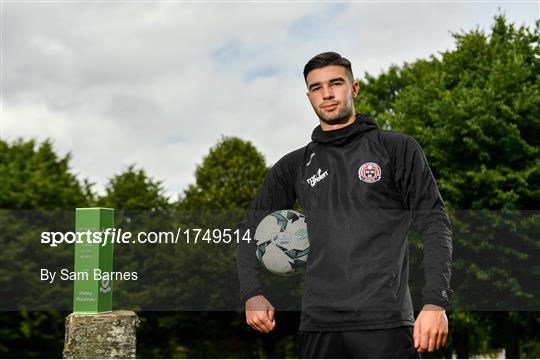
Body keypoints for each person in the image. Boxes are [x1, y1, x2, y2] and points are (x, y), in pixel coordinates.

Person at [236, 52, 453, 358]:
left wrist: (435, 301)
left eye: (335, 83)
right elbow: (248, 228)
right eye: (316, 87)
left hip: (384, 321)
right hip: (318, 326)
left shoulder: (396, 148)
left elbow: (434, 223)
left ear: (354, 88)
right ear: (309, 96)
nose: (326, 93)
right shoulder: (295, 165)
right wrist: (252, 293)